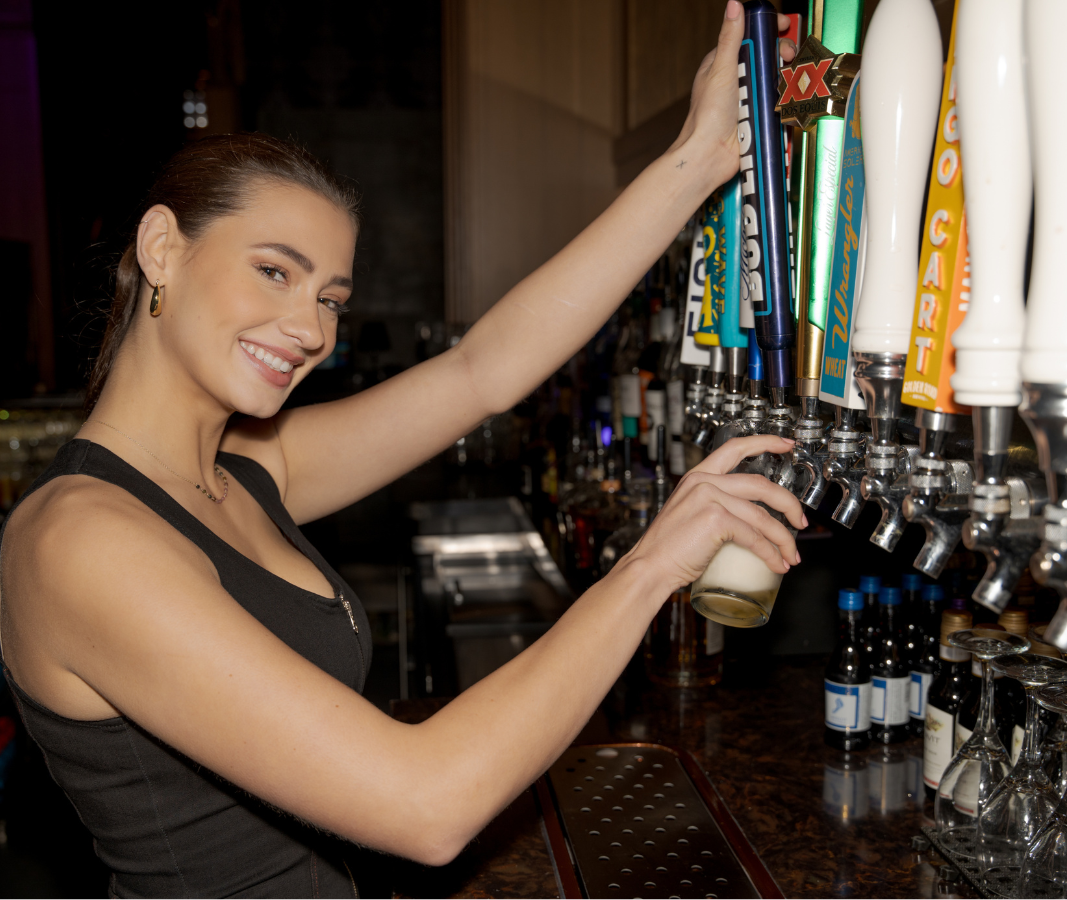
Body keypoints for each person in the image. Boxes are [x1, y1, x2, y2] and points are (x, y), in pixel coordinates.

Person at [0, 4, 804, 895]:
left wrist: (697, 161)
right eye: (275, 271)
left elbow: (480, 373)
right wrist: (652, 565)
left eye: (333, 298)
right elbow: (427, 805)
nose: (309, 328)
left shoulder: (245, 473)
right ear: (162, 249)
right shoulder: (80, 541)